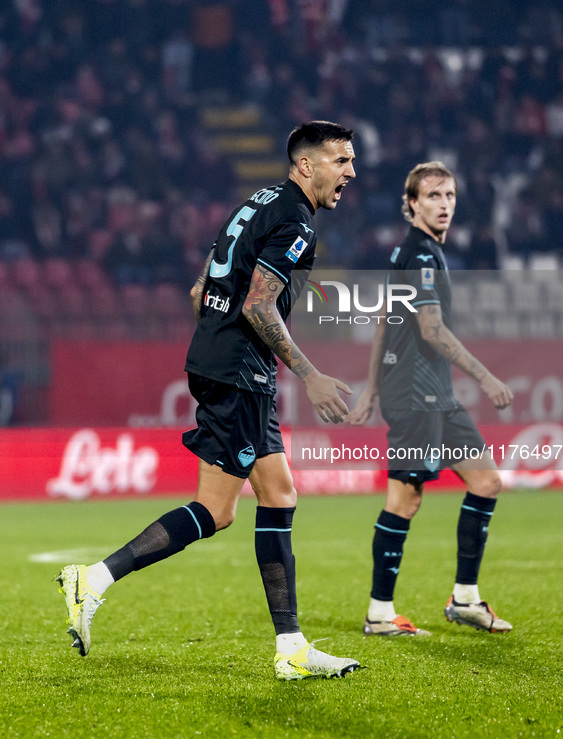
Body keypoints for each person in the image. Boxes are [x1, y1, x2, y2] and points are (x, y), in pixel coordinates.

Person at [56, 121, 362, 680]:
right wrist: (311, 375)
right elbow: (259, 306)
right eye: (340, 160)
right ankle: (93, 578)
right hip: (241, 373)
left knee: (279, 494)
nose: (350, 172)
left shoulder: (257, 202)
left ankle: (292, 648)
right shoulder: (293, 219)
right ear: (305, 165)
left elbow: (201, 291)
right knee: (217, 510)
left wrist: (219, 341)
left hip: (225, 363)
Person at [349, 161, 514, 637]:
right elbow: (431, 329)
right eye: (434, 196)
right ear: (412, 203)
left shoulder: (416, 253)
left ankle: (464, 599)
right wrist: (485, 377)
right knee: (404, 499)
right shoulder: (420, 254)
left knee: (485, 482)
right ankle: (380, 612)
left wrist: (372, 388)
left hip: (436, 394)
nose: (444, 204)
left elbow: (383, 320)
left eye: (450, 196)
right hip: (416, 397)